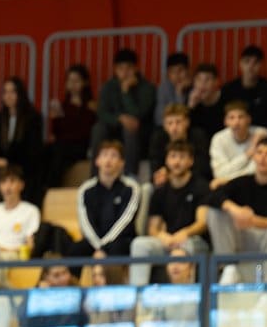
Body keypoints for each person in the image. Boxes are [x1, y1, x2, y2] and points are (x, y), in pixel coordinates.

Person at [208, 135, 267, 284]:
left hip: (266, 237)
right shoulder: (243, 181)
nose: (263, 158)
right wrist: (236, 211)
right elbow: (213, 197)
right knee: (216, 212)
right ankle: (229, 268)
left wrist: (252, 220)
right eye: (259, 152)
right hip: (243, 235)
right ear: (253, 156)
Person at [130, 140, 210, 285]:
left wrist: (185, 233)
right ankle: (138, 295)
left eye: (182, 157)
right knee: (140, 244)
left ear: (191, 161)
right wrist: (163, 236)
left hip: (194, 240)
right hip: (169, 241)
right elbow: (153, 227)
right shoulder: (160, 191)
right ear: (167, 160)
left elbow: (202, 223)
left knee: (187, 247)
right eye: (173, 156)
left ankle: (191, 296)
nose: (177, 162)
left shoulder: (201, 186)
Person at [74, 140, 141, 281]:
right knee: (74, 250)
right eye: (104, 155)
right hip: (94, 241)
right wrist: (99, 246)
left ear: (122, 163)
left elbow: (125, 221)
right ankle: (70, 290)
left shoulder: (131, 187)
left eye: (113, 155)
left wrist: (104, 247)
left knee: (118, 248)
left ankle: (114, 289)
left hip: (121, 240)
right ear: (97, 161)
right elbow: (85, 223)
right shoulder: (86, 189)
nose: (108, 160)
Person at [0, 75, 45, 207]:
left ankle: (6, 210)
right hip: (1, 165)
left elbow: (32, 154)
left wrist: (6, 162)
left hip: (25, 168)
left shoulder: (32, 119)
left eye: (12, 91)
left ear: (20, 94)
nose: (8, 96)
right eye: (5, 92)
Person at [93, 49, 155, 172]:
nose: (125, 72)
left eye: (129, 68)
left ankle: (130, 174)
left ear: (136, 69)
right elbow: (101, 113)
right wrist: (120, 119)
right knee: (98, 128)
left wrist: (126, 92)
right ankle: (95, 174)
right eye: (121, 68)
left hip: (140, 130)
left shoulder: (147, 87)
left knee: (129, 128)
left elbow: (138, 114)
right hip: (114, 128)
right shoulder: (108, 86)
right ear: (115, 70)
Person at [0, 169, 39, 259]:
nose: (8, 186)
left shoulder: (31, 211)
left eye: (12, 181)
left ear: (21, 185)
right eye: (3, 182)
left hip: (16, 256)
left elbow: (30, 245)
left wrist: (8, 251)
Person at [207, 100, 267, 187]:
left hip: (253, 185)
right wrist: (247, 154)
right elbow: (219, 173)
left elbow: (256, 171)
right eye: (231, 118)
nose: (236, 122)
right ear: (225, 121)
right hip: (229, 186)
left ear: (248, 119)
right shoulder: (218, 139)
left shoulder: (261, 135)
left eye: (241, 117)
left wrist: (226, 180)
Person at [49, 65, 98, 170]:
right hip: (62, 145)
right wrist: (55, 119)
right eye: (70, 80)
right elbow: (56, 132)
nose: (72, 84)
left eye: (76, 81)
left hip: (80, 146)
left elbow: (86, 131)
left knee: (59, 151)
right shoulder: (62, 106)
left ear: (85, 82)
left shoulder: (91, 106)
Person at [223, 45, 267, 134]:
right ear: (240, 64)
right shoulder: (229, 89)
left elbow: (266, 118)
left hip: (263, 133)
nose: (251, 66)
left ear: (261, 65)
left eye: (255, 62)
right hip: (235, 131)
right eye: (247, 61)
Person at [146, 101, 200, 179]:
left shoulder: (197, 136)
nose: (174, 128)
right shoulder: (158, 138)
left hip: (193, 179)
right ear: (164, 125)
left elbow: (202, 165)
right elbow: (155, 166)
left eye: (178, 122)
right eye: (170, 123)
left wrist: (179, 173)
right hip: (166, 179)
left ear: (187, 122)